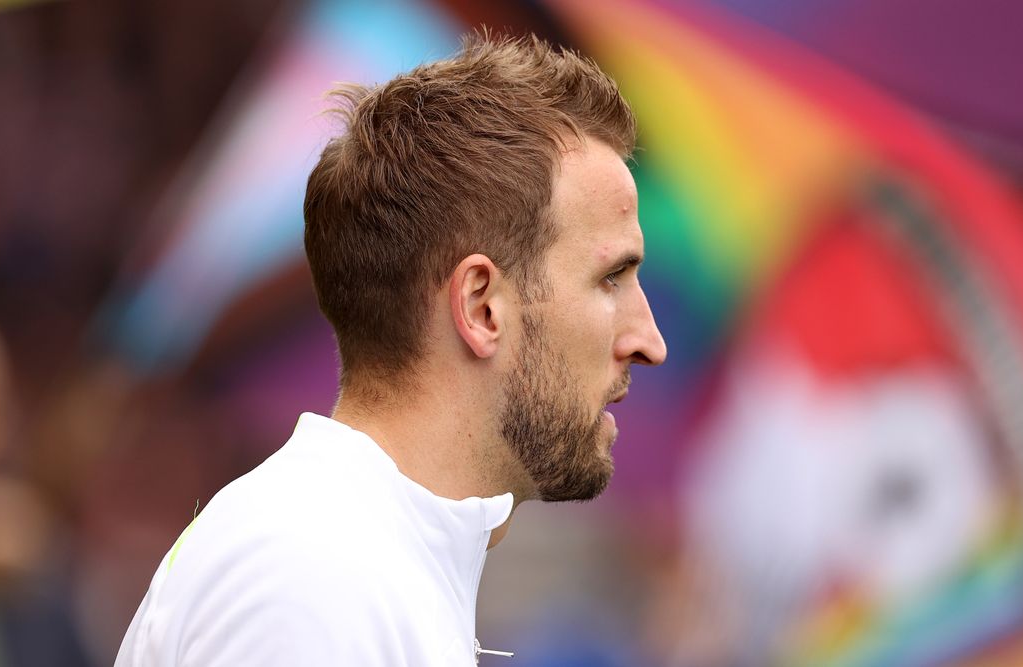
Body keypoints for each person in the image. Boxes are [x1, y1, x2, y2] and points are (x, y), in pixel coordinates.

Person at [115, 31, 666, 666]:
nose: (647, 341)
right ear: (481, 306)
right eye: (611, 278)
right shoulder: (314, 572)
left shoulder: (349, 556)